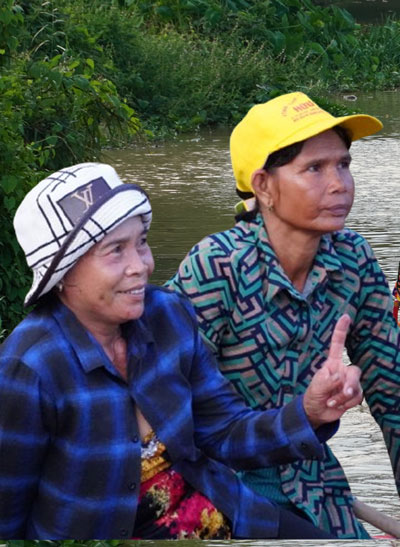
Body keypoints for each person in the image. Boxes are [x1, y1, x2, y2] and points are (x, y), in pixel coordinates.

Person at [168, 93, 400, 539]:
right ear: (263, 186)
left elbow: (393, 389)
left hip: (313, 481)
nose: (339, 184)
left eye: (344, 164)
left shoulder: (352, 259)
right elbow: (164, 403)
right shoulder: (215, 267)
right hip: (216, 487)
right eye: (315, 169)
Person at [0, 163, 370, 540]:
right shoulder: (30, 368)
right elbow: (7, 517)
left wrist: (308, 412)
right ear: (63, 276)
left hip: (217, 513)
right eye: (115, 251)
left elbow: (224, 432)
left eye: (141, 242)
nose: (141, 266)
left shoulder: (167, 315)